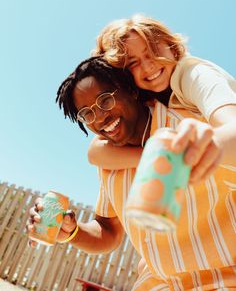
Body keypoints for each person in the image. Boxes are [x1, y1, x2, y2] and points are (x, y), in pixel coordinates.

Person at [27, 56, 236, 289]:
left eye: (105, 100)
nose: (100, 118)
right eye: (87, 114)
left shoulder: (186, 123)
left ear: (131, 90)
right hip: (159, 284)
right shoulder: (109, 164)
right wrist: (71, 231)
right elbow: (108, 232)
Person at [88, 14, 236, 185]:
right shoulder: (146, 98)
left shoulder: (195, 74)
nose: (148, 66)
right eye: (133, 63)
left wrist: (203, 147)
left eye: (153, 51)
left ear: (172, 47)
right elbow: (95, 152)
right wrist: (156, 155)